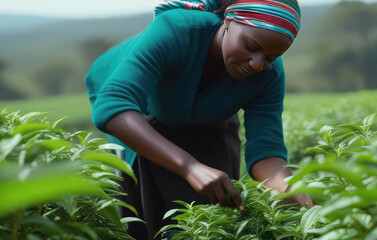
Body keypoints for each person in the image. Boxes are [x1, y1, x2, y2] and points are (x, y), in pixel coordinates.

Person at [85, 0, 314, 239]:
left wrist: (290, 190)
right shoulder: (176, 30)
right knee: (149, 210)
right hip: (143, 113)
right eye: (250, 46)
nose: (257, 63)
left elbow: (266, 150)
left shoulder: (270, 74)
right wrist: (190, 167)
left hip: (210, 116)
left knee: (217, 204)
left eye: (270, 57)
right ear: (227, 21)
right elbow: (113, 105)